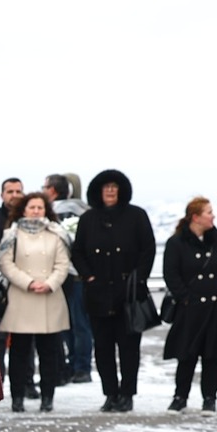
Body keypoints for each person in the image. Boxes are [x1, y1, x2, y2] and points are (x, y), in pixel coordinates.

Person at [70, 169, 155, 411]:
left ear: (121, 190)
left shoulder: (136, 216)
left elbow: (148, 250)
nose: (110, 191)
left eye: (114, 186)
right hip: (98, 294)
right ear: (98, 191)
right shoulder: (88, 219)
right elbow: (78, 252)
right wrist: (89, 276)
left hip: (128, 294)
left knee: (129, 348)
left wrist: (138, 279)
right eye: (106, 187)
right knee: (103, 348)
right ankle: (110, 393)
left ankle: (127, 394)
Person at [0, 192, 71, 411]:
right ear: (23, 210)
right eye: (32, 207)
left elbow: (63, 264)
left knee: (49, 354)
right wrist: (29, 283)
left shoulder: (56, 234)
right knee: (19, 353)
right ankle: (17, 397)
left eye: (40, 207)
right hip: (21, 298)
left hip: (49, 298)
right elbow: (5, 263)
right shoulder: (12, 234)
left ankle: (48, 398)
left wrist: (49, 283)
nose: (36, 211)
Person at [162, 197, 217, 412]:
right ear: (195, 217)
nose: (213, 216)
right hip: (189, 309)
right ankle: (180, 397)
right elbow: (171, 274)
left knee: (212, 355)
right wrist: (185, 297)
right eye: (208, 212)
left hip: (215, 308)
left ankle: (209, 398)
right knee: (186, 354)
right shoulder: (176, 243)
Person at [43, 175, 93, 383]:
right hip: (75, 274)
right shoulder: (83, 209)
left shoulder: (57, 211)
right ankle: (77, 366)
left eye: (45, 187)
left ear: (53, 190)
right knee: (77, 323)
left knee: (73, 324)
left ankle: (79, 367)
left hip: (68, 275)